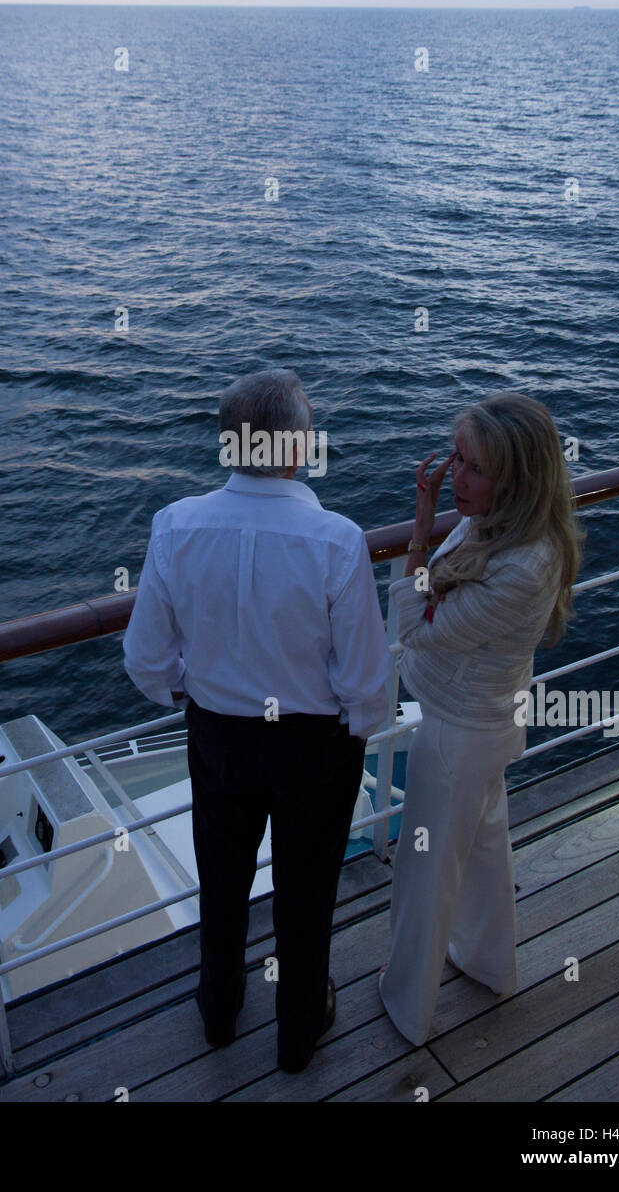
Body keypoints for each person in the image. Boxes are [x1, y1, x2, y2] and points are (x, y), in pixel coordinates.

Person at [123, 368, 391, 1072]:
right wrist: (353, 726)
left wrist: (192, 692)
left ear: (227, 444)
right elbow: (365, 683)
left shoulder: (176, 525)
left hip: (220, 739)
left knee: (222, 883)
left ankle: (218, 1013)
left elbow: (146, 659)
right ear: (300, 446)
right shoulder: (337, 539)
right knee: (307, 896)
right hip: (315, 749)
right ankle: (297, 1036)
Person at [379, 392, 583, 1047]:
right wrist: (447, 514)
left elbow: (412, 627)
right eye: (457, 458)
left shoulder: (520, 564)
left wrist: (419, 526)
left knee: (426, 872)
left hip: (456, 735)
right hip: (484, 719)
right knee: (487, 849)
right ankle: (491, 965)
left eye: (474, 467)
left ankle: (408, 1007)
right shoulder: (506, 525)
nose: (454, 478)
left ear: (519, 479)